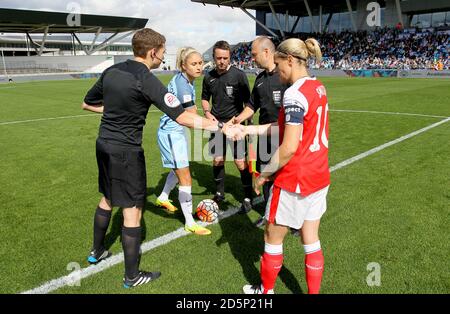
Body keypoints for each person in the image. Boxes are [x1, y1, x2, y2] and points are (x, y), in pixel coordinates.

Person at [81, 28, 230, 288]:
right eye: (162, 52)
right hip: (126, 151)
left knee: (107, 198)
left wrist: (115, 111)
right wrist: (220, 127)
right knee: (132, 210)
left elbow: (87, 102)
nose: (163, 57)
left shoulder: (112, 71)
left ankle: (96, 251)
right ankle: (132, 275)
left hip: (103, 144)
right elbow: (182, 116)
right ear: (152, 52)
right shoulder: (146, 78)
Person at [231, 37, 330, 294]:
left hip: (295, 177)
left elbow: (288, 147)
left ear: (289, 60)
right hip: (319, 176)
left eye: (279, 64)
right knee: (311, 239)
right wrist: (249, 129)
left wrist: (263, 175)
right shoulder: (318, 87)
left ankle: (265, 292)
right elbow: (287, 128)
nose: (279, 72)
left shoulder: (294, 93)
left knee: (271, 237)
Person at [232, 36, 289, 224]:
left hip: (286, 135)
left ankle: (292, 219)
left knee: (287, 176)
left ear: (267, 52)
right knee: (266, 176)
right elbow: (252, 105)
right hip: (264, 137)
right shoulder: (260, 78)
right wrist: (239, 119)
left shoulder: (285, 76)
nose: (252, 58)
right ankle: (268, 214)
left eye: (255, 54)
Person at [155, 47, 211, 235]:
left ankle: (163, 197)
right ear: (183, 66)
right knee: (185, 176)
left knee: (179, 168)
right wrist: (220, 127)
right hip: (171, 133)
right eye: (193, 64)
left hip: (176, 131)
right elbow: (193, 118)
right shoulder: (182, 85)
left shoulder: (186, 81)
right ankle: (190, 222)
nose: (198, 67)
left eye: (200, 63)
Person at [201, 40, 253, 214]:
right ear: (214, 58)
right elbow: (204, 98)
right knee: (217, 159)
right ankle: (219, 193)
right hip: (216, 126)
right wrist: (207, 113)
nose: (222, 61)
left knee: (240, 162)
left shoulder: (239, 75)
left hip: (236, 125)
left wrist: (247, 124)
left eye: (225, 58)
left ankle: (247, 195)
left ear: (230, 56)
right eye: (218, 58)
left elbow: (249, 103)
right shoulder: (208, 76)